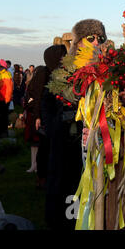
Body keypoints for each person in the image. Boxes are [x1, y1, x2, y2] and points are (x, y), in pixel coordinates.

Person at [41, 44, 83, 229]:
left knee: (75, 183)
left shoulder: (76, 75)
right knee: (61, 182)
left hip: (77, 140)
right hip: (61, 140)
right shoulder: (55, 79)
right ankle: (60, 219)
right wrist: (56, 125)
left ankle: (71, 218)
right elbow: (47, 108)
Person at [0, 59, 13, 139]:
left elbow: (9, 89)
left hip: (3, 100)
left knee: (3, 117)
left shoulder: (5, 75)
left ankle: (3, 133)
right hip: (3, 99)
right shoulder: (3, 74)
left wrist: (6, 100)